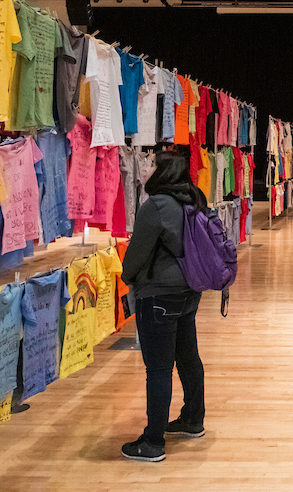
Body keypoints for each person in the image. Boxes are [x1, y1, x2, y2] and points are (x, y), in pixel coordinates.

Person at [119, 151, 209, 463]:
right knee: (187, 357)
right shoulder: (195, 199)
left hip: (159, 294)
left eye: (152, 163)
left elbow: (136, 254)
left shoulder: (156, 206)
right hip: (189, 290)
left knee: (158, 367)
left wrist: (127, 277)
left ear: (163, 171)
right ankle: (193, 419)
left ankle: (153, 442)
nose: (147, 168)